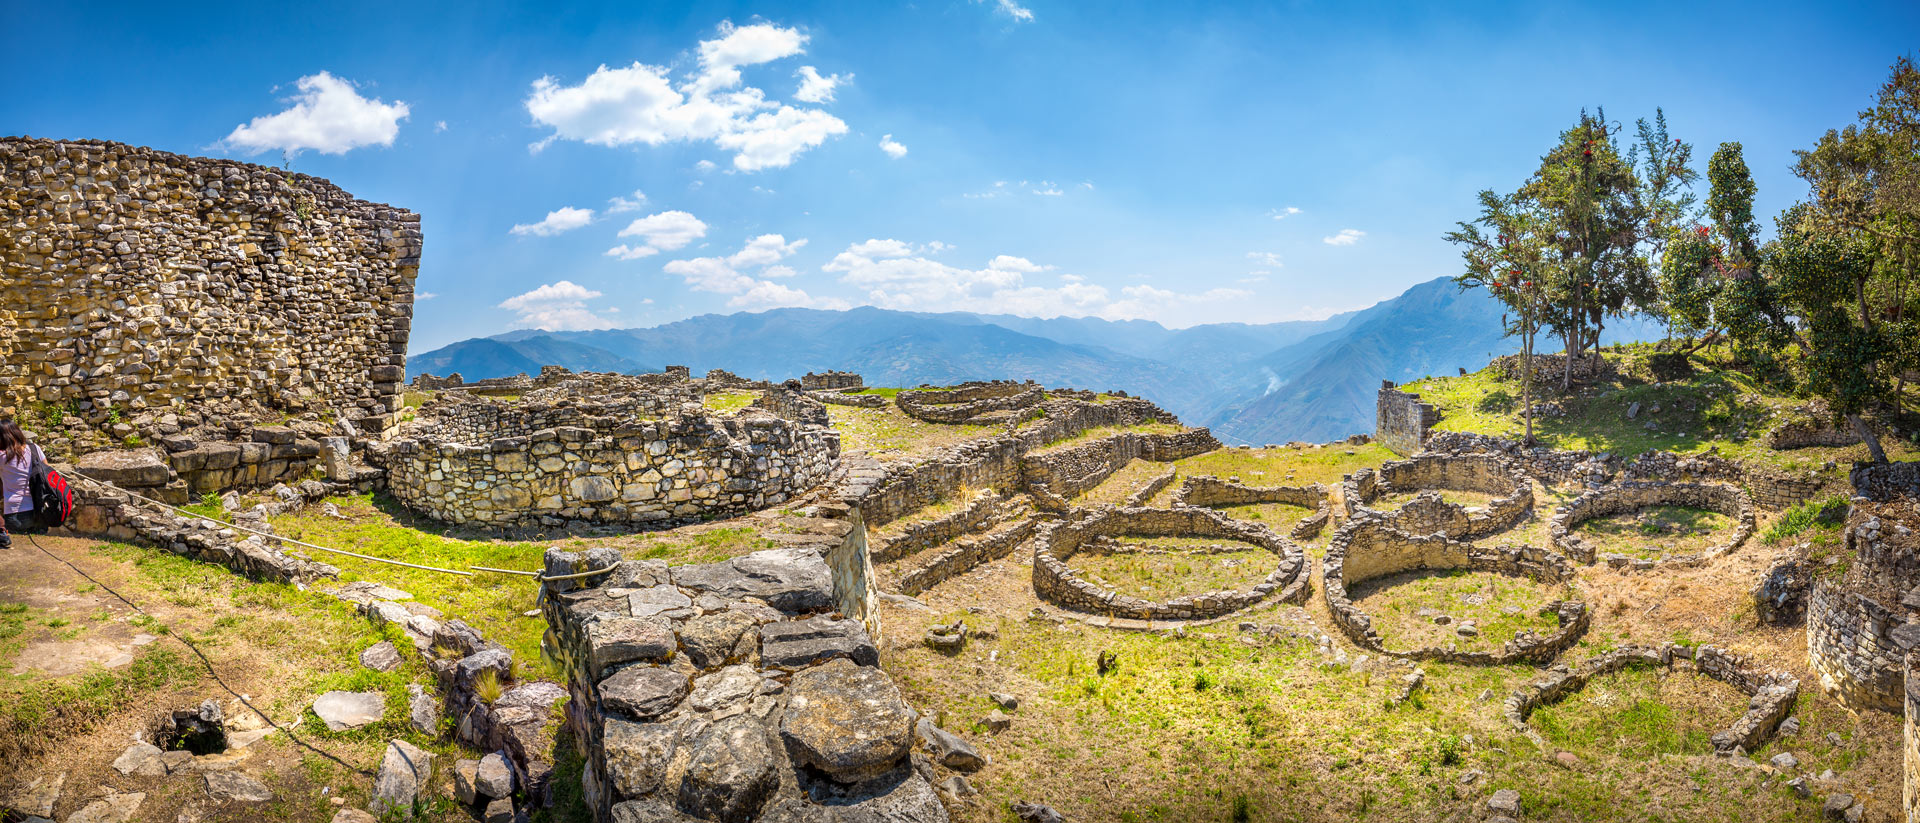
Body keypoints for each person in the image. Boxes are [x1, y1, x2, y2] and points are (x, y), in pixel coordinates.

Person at [0, 421, 47, 550]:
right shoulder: (34, 448)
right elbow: (47, 471)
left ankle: (2, 532)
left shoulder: (2, 456)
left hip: (15, 515)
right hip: (38, 513)